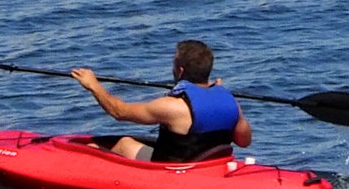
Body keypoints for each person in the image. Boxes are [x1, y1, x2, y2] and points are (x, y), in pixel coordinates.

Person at [72, 40, 253, 161]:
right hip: (207, 164)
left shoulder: (171, 107)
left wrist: (93, 85)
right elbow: (244, 141)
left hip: (175, 169)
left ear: (180, 71)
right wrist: (218, 98)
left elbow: (119, 112)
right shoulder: (230, 100)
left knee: (122, 144)